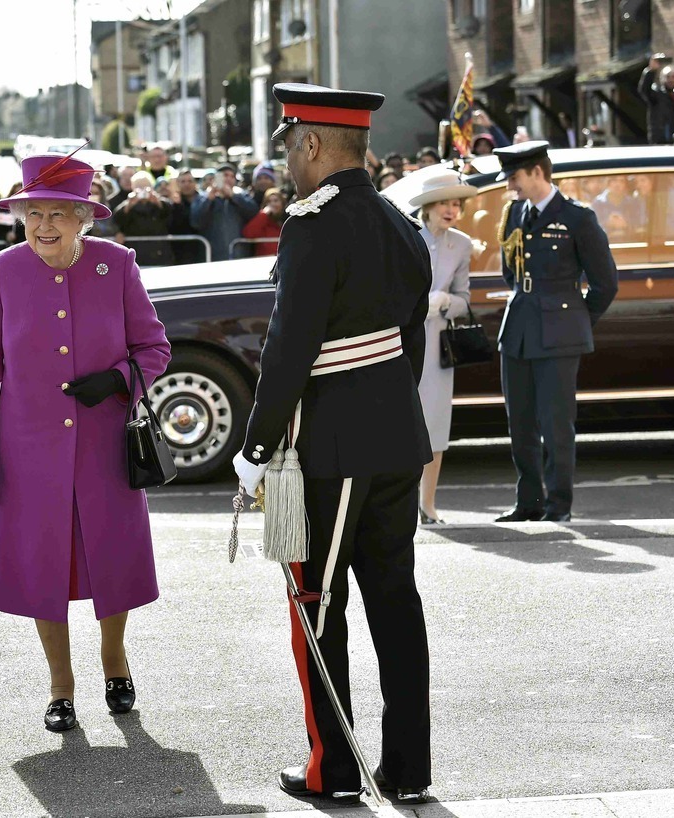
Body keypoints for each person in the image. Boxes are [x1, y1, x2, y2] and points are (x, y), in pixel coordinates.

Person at [231, 82, 433, 806]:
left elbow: (288, 353)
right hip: (396, 434)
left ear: (312, 144)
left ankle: (334, 769)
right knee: (395, 601)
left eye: (289, 145)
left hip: (336, 446)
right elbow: (407, 333)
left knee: (316, 604)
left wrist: (255, 447)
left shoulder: (312, 225)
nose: (287, 160)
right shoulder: (396, 220)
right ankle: (408, 767)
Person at [0, 152, 171, 735]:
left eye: (57, 213)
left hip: (105, 441)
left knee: (112, 555)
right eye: (33, 214)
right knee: (39, 564)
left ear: (84, 217)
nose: (43, 226)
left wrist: (118, 380)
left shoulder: (118, 265)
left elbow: (155, 349)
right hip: (29, 445)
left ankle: (115, 662)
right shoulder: (4, 269)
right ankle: (60, 686)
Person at [492, 142, 618, 522]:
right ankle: (528, 501)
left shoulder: (577, 218)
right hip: (519, 328)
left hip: (559, 332)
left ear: (536, 172)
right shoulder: (514, 212)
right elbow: (510, 271)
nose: (510, 186)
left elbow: (605, 283)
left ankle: (557, 505)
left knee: (555, 424)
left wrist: (577, 320)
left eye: (514, 177)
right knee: (521, 422)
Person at [409, 172, 477, 524]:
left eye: (456, 204)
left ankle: (428, 504)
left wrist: (445, 301)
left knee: (435, 424)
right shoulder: (408, 236)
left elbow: (466, 300)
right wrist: (420, 302)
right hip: (403, 339)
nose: (451, 210)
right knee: (400, 422)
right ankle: (399, 503)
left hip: (437, 342)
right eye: (445, 203)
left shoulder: (462, 244)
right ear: (429, 207)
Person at [190, 163, 257, 261]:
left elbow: (253, 212)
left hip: (239, 254)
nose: (229, 179)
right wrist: (208, 199)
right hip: (212, 256)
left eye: (232, 176)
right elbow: (195, 221)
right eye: (225, 175)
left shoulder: (241, 195)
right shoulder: (203, 197)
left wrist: (233, 197)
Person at [114, 170, 173, 266]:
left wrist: (158, 202)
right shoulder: (128, 204)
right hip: (136, 251)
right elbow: (117, 219)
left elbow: (170, 214)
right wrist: (128, 205)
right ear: (133, 188)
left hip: (159, 250)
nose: (142, 190)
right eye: (139, 187)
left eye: (146, 186)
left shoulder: (159, 202)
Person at [639, 56, 674, 145]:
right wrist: (650, 71)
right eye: (667, 77)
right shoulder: (657, 95)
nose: (671, 80)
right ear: (662, 78)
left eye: (673, 77)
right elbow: (644, 90)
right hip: (659, 142)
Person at [241, 186, 285, 255]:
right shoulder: (262, 221)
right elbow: (248, 233)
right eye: (269, 202)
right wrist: (264, 214)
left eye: (276, 201)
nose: (272, 204)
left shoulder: (287, 220)